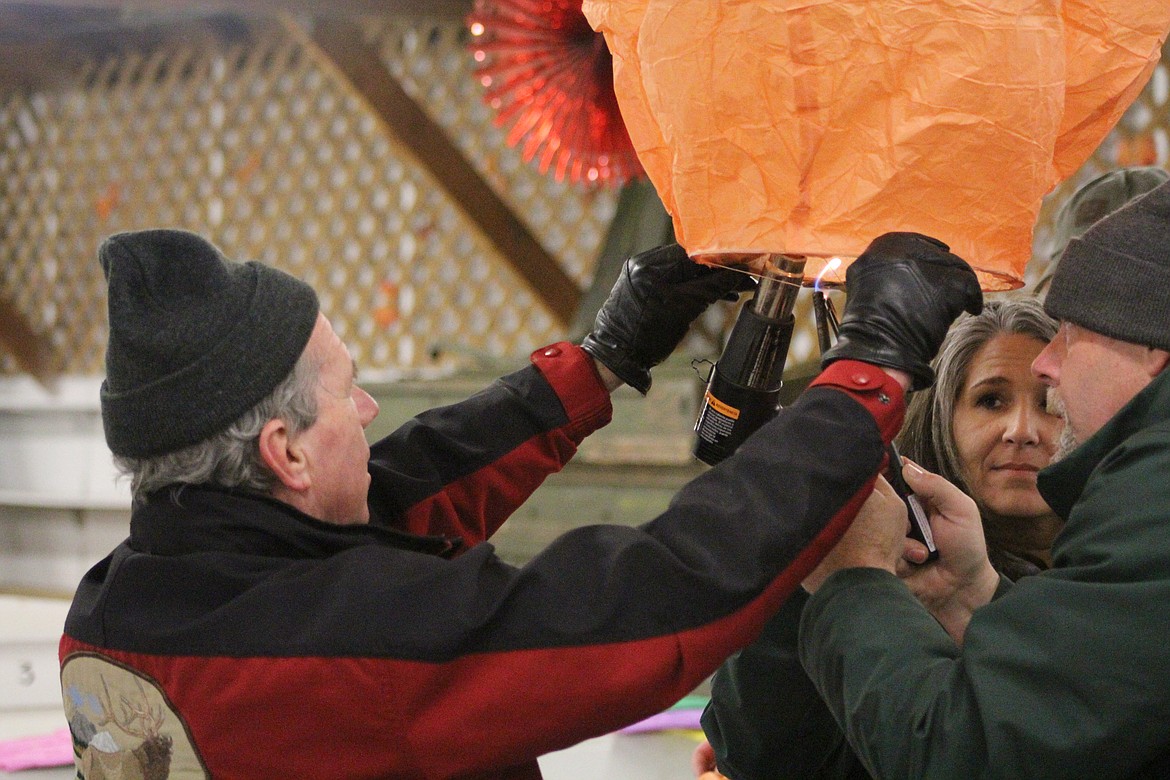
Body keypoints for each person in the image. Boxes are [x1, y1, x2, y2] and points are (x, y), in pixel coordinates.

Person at [59, 228, 980, 778]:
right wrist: (869, 371)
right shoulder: (337, 648)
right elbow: (653, 600)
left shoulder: (121, 603)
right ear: (284, 452)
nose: (371, 413)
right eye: (348, 394)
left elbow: (398, 495)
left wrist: (599, 362)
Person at [798, 179, 1170, 778]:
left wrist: (852, 579)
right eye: (991, 400)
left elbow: (967, 752)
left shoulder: (1154, 505)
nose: (1048, 367)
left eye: (1070, 334)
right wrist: (971, 594)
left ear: (1150, 346)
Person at [696, 297, 1063, 779]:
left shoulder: (1123, 575)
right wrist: (813, 572)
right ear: (941, 418)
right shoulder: (887, 564)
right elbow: (758, 755)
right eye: (991, 400)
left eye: (1049, 403)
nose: (1022, 431)